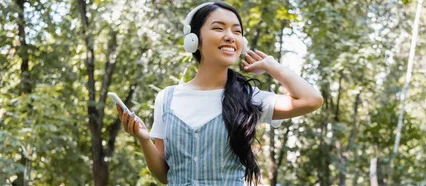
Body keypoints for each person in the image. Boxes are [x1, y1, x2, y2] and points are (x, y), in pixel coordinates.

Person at [116, 2, 323, 185]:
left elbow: (312, 100)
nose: (230, 37)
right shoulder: (167, 98)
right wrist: (143, 139)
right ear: (194, 40)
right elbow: (164, 176)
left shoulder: (250, 97)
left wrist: (273, 66)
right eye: (218, 28)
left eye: (237, 32)